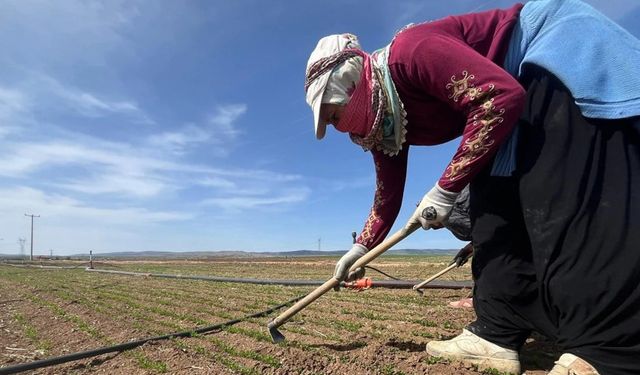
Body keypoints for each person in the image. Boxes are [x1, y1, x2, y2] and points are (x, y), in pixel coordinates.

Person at [303, 0, 640, 374]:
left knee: (557, 198)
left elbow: (498, 97)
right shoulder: (386, 124)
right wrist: (359, 248)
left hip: (547, 55)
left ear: (352, 83)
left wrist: (445, 190)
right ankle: (496, 331)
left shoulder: (410, 52)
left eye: (334, 115)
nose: (339, 128)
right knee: (491, 212)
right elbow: (387, 197)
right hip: (507, 102)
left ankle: (610, 350)